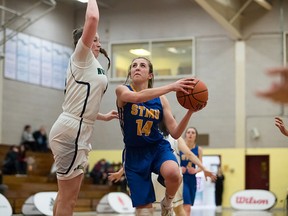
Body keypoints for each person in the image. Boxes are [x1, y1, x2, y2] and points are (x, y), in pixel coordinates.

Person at [48, 1, 118, 215]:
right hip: (71, 130)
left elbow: (82, 103)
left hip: (79, 126)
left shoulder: (93, 66)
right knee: (69, 199)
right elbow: (93, 19)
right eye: (94, 38)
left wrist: (103, 117)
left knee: (64, 196)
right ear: (83, 42)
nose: (98, 42)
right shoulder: (81, 56)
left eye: (99, 39)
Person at [115, 56, 205, 216]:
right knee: (144, 212)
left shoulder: (161, 99)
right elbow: (137, 98)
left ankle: (167, 203)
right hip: (134, 153)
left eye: (142, 65)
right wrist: (172, 86)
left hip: (157, 148)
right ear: (130, 71)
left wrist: (190, 112)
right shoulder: (122, 90)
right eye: (134, 65)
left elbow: (176, 133)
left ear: (150, 75)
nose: (137, 67)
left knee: (174, 173)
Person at [108, 121, 216, 216]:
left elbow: (135, 158)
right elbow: (189, 154)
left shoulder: (146, 135)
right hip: (171, 179)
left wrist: (120, 172)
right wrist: (204, 168)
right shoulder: (176, 137)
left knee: (146, 209)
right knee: (178, 209)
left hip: (153, 177)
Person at [180, 127, 203, 216]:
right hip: (181, 179)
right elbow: (173, 161)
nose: (190, 134)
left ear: (196, 136)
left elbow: (201, 166)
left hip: (192, 179)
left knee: (187, 206)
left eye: (193, 133)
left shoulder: (199, 149)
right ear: (185, 135)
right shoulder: (180, 147)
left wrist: (196, 170)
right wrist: (179, 168)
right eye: (188, 132)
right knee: (187, 206)